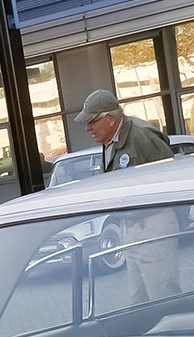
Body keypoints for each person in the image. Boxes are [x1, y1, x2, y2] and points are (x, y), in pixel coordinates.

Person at [75, 89, 180, 302]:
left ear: (111, 119)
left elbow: (172, 180)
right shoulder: (110, 140)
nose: (88, 128)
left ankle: (176, 334)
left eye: (93, 122)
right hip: (130, 226)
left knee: (163, 297)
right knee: (138, 299)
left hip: (152, 225)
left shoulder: (142, 135)